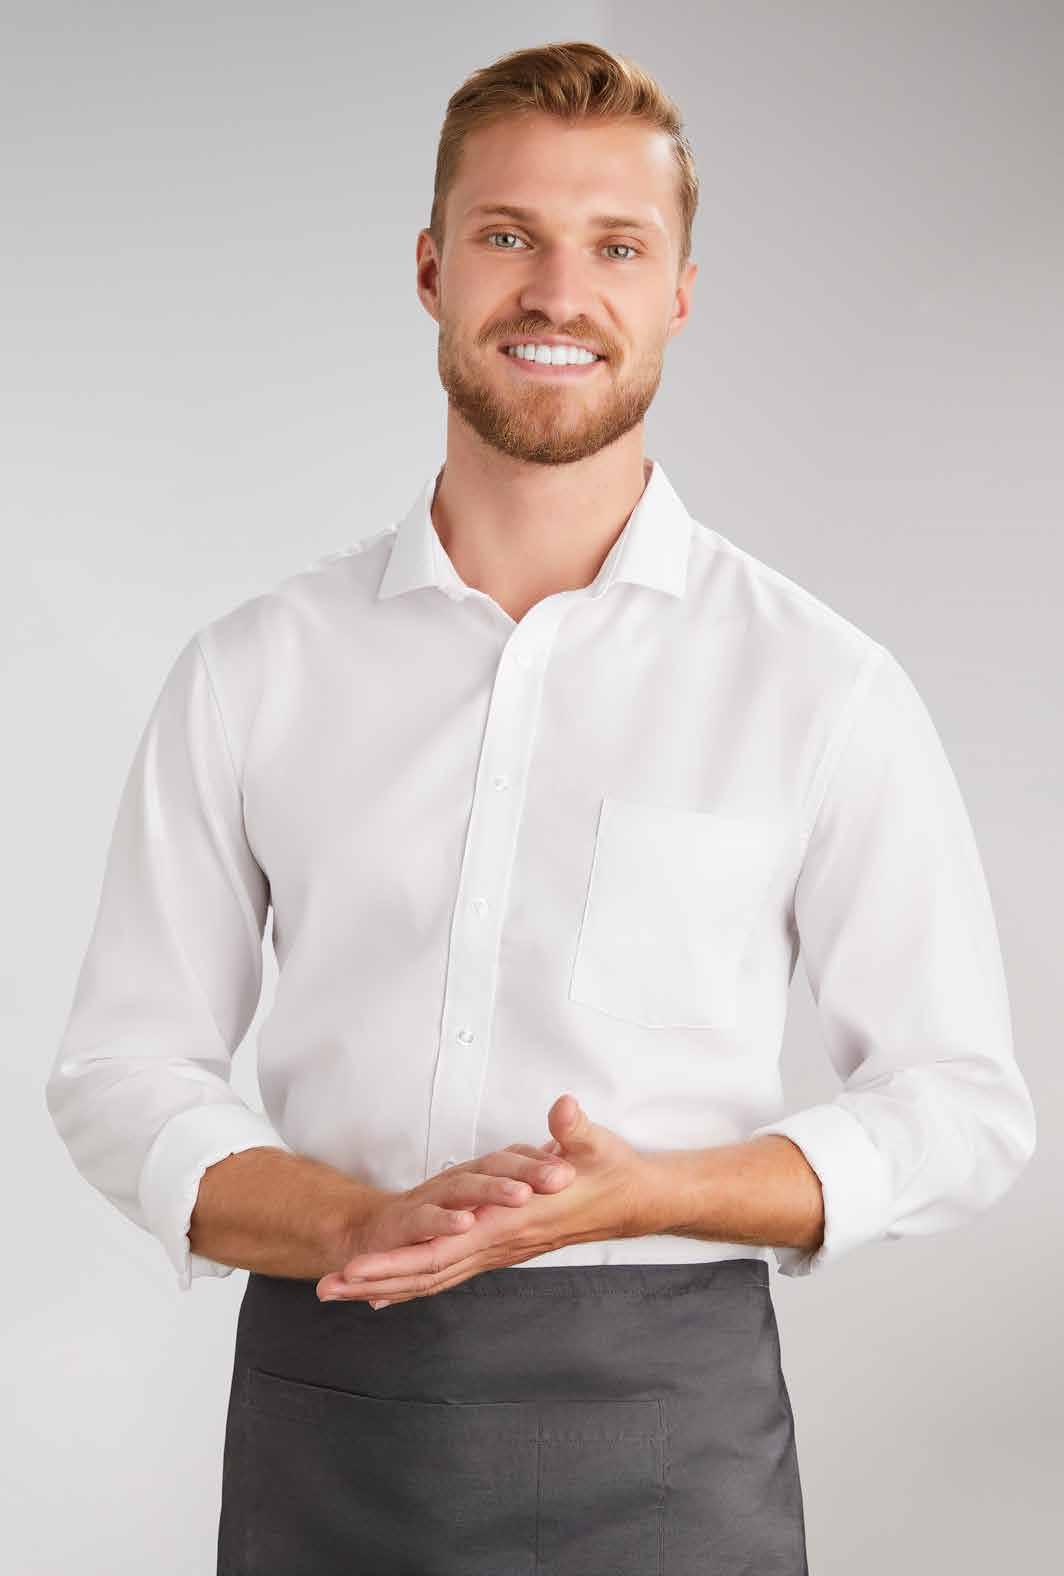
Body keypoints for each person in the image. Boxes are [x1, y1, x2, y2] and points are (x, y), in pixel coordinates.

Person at [46, 39, 1036, 1576]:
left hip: (674, 1441)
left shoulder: (818, 685)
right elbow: (120, 1068)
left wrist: (657, 1193)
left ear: (680, 292)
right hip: (336, 1411)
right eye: (509, 235)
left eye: (616, 247)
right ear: (431, 268)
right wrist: (348, 1224)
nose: (558, 293)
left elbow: (962, 1106)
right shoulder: (256, 671)